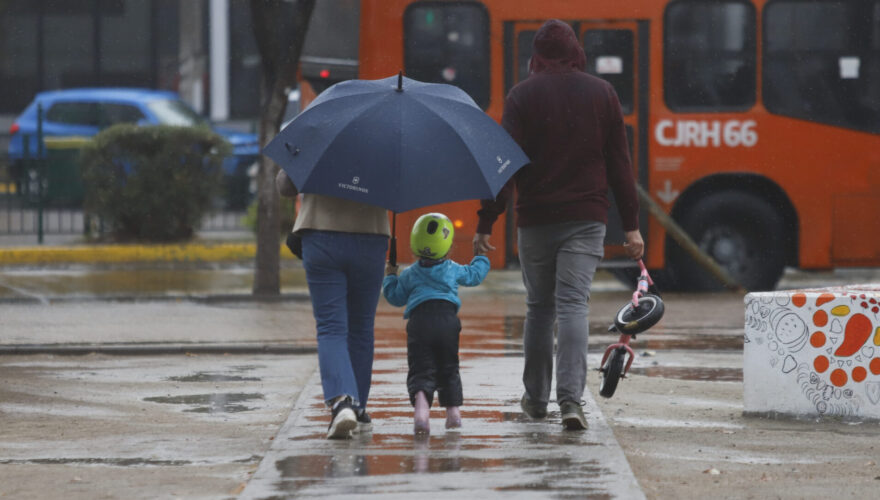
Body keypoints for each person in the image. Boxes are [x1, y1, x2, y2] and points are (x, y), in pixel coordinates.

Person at [473, 19, 644, 431]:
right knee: (573, 305)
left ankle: (535, 399)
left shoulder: (521, 96)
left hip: (535, 220)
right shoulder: (602, 93)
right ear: (575, 53)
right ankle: (570, 401)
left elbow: (504, 166)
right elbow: (620, 165)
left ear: (537, 55)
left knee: (539, 308)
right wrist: (632, 226)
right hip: (586, 218)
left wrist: (486, 221)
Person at [276, 169, 390, 439]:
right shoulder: (388, 134)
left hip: (322, 232)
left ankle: (342, 402)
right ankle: (358, 408)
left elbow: (285, 186)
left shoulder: (319, 131)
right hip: (371, 235)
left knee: (331, 327)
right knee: (361, 327)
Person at [382, 213, 490, 435]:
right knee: (449, 367)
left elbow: (394, 297)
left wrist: (391, 275)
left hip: (419, 322)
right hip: (447, 322)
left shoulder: (410, 274)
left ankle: (422, 411)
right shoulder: (452, 268)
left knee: (421, 369)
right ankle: (453, 414)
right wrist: (480, 256)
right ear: (448, 247)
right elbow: (474, 276)